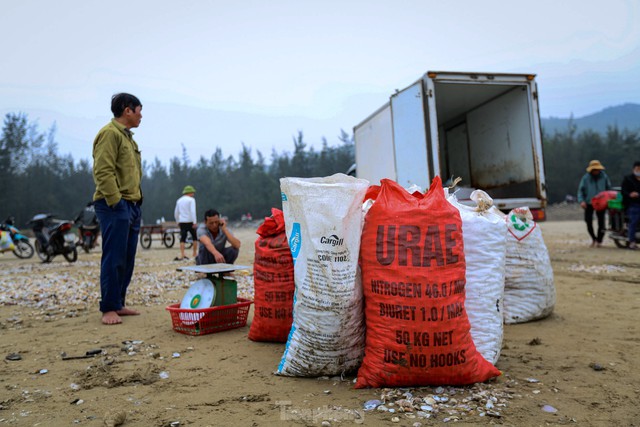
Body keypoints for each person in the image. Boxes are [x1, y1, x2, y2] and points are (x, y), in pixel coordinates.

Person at [92, 93, 143, 325]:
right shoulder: (109, 134)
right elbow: (103, 171)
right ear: (127, 110)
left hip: (131, 205)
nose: (141, 115)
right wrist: (116, 202)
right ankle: (109, 308)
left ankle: (119, 302)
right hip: (114, 205)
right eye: (139, 110)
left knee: (127, 257)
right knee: (113, 256)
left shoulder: (128, 138)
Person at [577, 160, 612, 247]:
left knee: (602, 223)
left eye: (597, 169)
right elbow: (580, 191)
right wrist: (581, 201)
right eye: (594, 169)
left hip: (601, 203)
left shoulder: (604, 177)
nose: (596, 171)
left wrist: (609, 199)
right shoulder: (585, 178)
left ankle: (599, 240)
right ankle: (593, 238)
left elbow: (608, 189)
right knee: (588, 221)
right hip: (589, 202)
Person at [174, 185, 198, 260]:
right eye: (192, 192)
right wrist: (195, 222)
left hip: (182, 221)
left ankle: (182, 253)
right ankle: (194, 253)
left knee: (183, 238)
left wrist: (177, 221)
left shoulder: (179, 200)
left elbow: (176, 212)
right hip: (190, 221)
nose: (193, 194)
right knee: (194, 237)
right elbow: (193, 211)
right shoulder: (191, 200)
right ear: (190, 192)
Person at [621, 160, 640, 250]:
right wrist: (630, 194)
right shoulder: (627, 179)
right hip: (631, 203)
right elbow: (623, 191)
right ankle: (631, 241)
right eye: (637, 169)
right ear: (633, 169)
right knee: (635, 218)